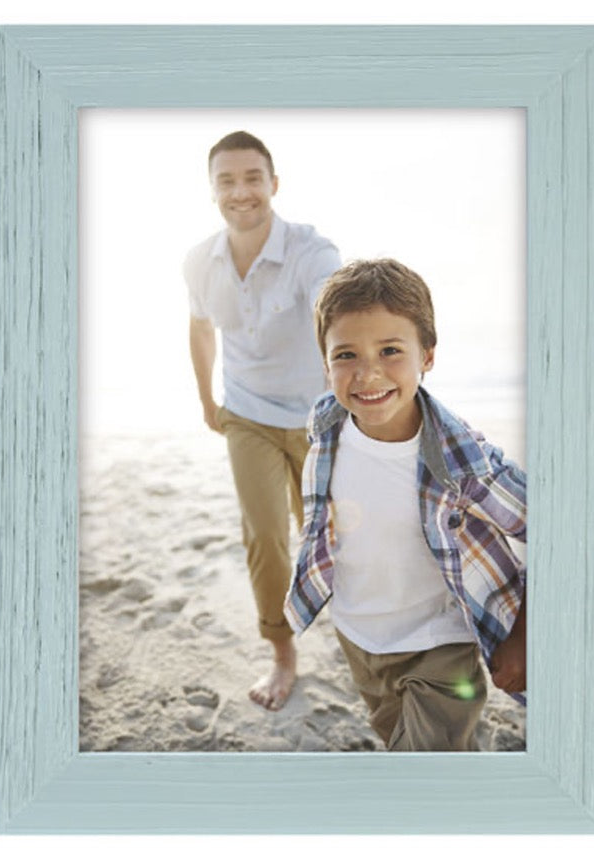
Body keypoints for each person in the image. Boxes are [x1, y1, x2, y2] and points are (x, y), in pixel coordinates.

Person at [284, 258, 526, 750]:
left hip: (439, 645)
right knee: (409, 746)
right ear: (325, 361)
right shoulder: (327, 425)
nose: (368, 373)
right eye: (346, 355)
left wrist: (525, 631)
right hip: (358, 635)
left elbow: (561, 528)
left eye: (391, 350)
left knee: (425, 771)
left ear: (428, 355)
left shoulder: (465, 462)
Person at [183, 131, 342, 711]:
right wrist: (207, 403)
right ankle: (282, 654)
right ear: (212, 191)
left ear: (274, 184)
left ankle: (358, 635)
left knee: (329, 536)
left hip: (318, 418)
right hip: (246, 414)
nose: (241, 191)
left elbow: (333, 305)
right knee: (266, 539)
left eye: (253, 178)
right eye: (227, 180)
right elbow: (201, 330)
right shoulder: (200, 261)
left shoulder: (310, 250)